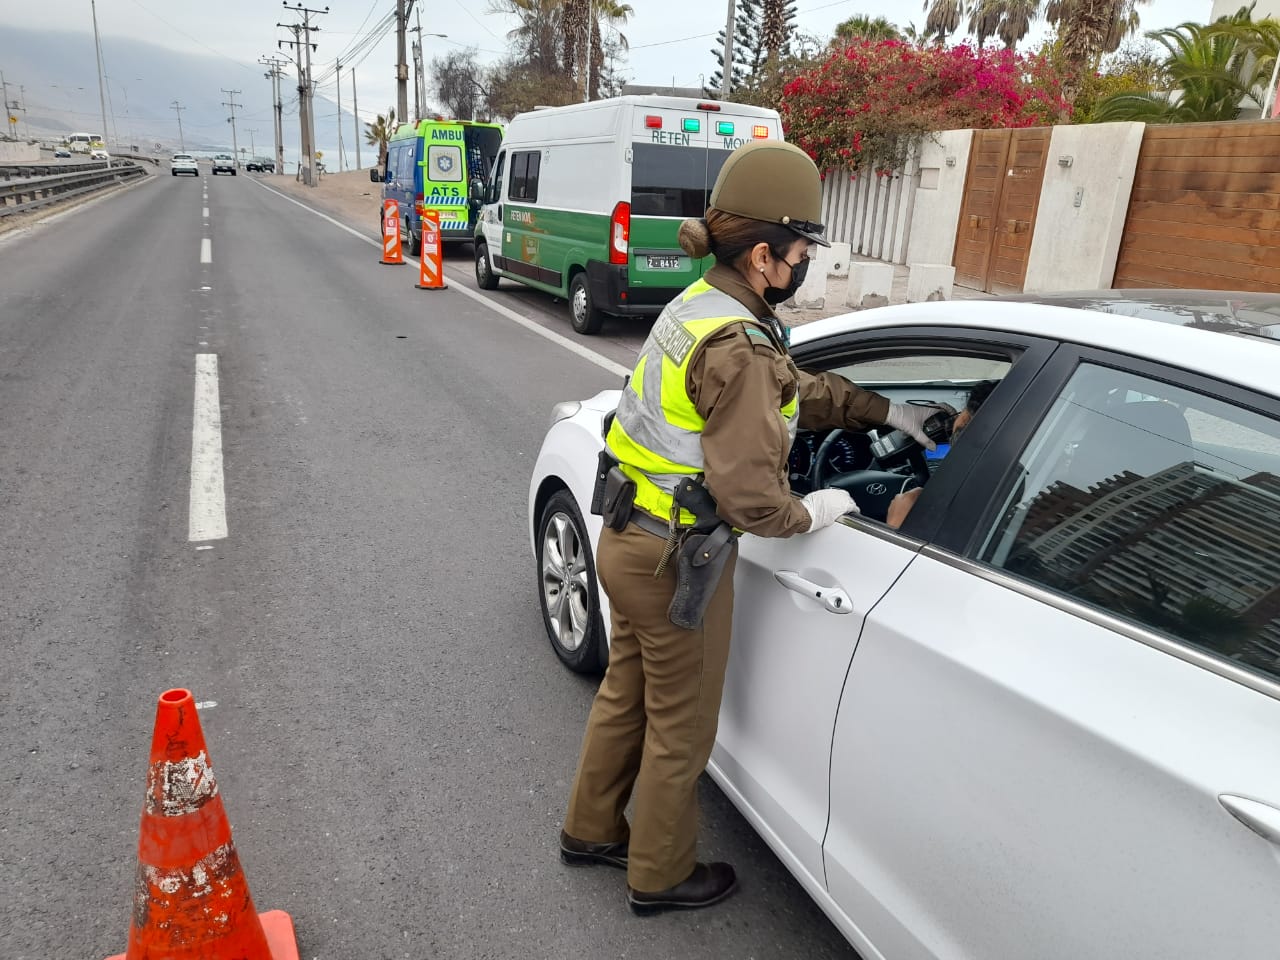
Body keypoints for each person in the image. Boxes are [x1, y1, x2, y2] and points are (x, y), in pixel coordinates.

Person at [558, 139, 949, 917]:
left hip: (627, 534)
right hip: (677, 562)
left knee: (626, 692)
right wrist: (824, 509)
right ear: (767, 254)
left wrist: (890, 412)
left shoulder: (702, 307)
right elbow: (752, 502)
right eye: (804, 249)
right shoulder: (737, 343)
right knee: (682, 727)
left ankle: (590, 829)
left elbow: (791, 385)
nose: (810, 264)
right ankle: (660, 875)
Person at [885, 379, 998, 529]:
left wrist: (896, 524)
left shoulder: (963, 495)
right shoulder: (1009, 478)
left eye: (961, 413)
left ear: (964, 420)